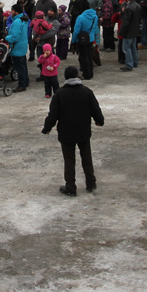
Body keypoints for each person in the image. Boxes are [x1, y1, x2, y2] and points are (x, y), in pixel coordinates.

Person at [41, 66, 104, 196]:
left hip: (66, 132)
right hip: (83, 131)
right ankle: (90, 183)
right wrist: (99, 121)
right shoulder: (86, 91)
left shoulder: (59, 94)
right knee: (86, 157)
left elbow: (53, 114)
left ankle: (70, 187)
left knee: (69, 160)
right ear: (77, 76)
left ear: (65, 77)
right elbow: (95, 109)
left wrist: (47, 128)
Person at [71, 4, 99, 80]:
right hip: (90, 39)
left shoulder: (80, 18)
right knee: (89, 55)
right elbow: (95, 28)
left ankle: (86, 74)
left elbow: (76, 31)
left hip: (82, 40)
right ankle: (90, 72)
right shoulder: (95, 17)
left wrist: (73, 41)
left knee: (83, 57)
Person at [5, 5, 30, 92]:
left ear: (16, 11)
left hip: (17, 47)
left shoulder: (17, 22)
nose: (11, 12)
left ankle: (22, 85)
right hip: (22, 46)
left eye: (12, 10)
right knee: (23, 65)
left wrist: (6, 38)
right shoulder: (24, 20)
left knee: (19, 67)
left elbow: (15, 37)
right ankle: (25, 81)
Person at [118, 0, 141, 72]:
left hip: (128, 31)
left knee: (126, 48)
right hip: (135, 30)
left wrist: (121, 32)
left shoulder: (128, 8)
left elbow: (125, 22)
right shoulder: (138, 6)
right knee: (133, 47)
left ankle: (129, 64)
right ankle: (135, 62)